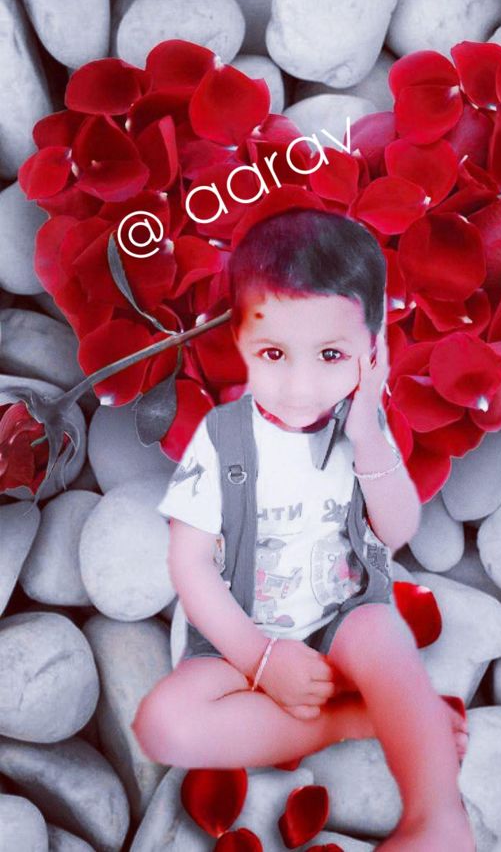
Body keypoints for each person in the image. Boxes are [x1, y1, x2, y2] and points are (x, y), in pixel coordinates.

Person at [132, 208, 475, 851]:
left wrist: (367, 432)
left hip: (346, 624)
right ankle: (352, 720)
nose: (300, 385)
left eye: (330, 355)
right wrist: (261, 660)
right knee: (162, 726)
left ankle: (437, 818)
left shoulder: (361, 432)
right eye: (274, 354)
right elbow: (189, 564)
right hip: (245, 643)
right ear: (239, 339)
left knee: (384, 637)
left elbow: (397, 528)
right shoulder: (222, 437)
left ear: (372, 351)